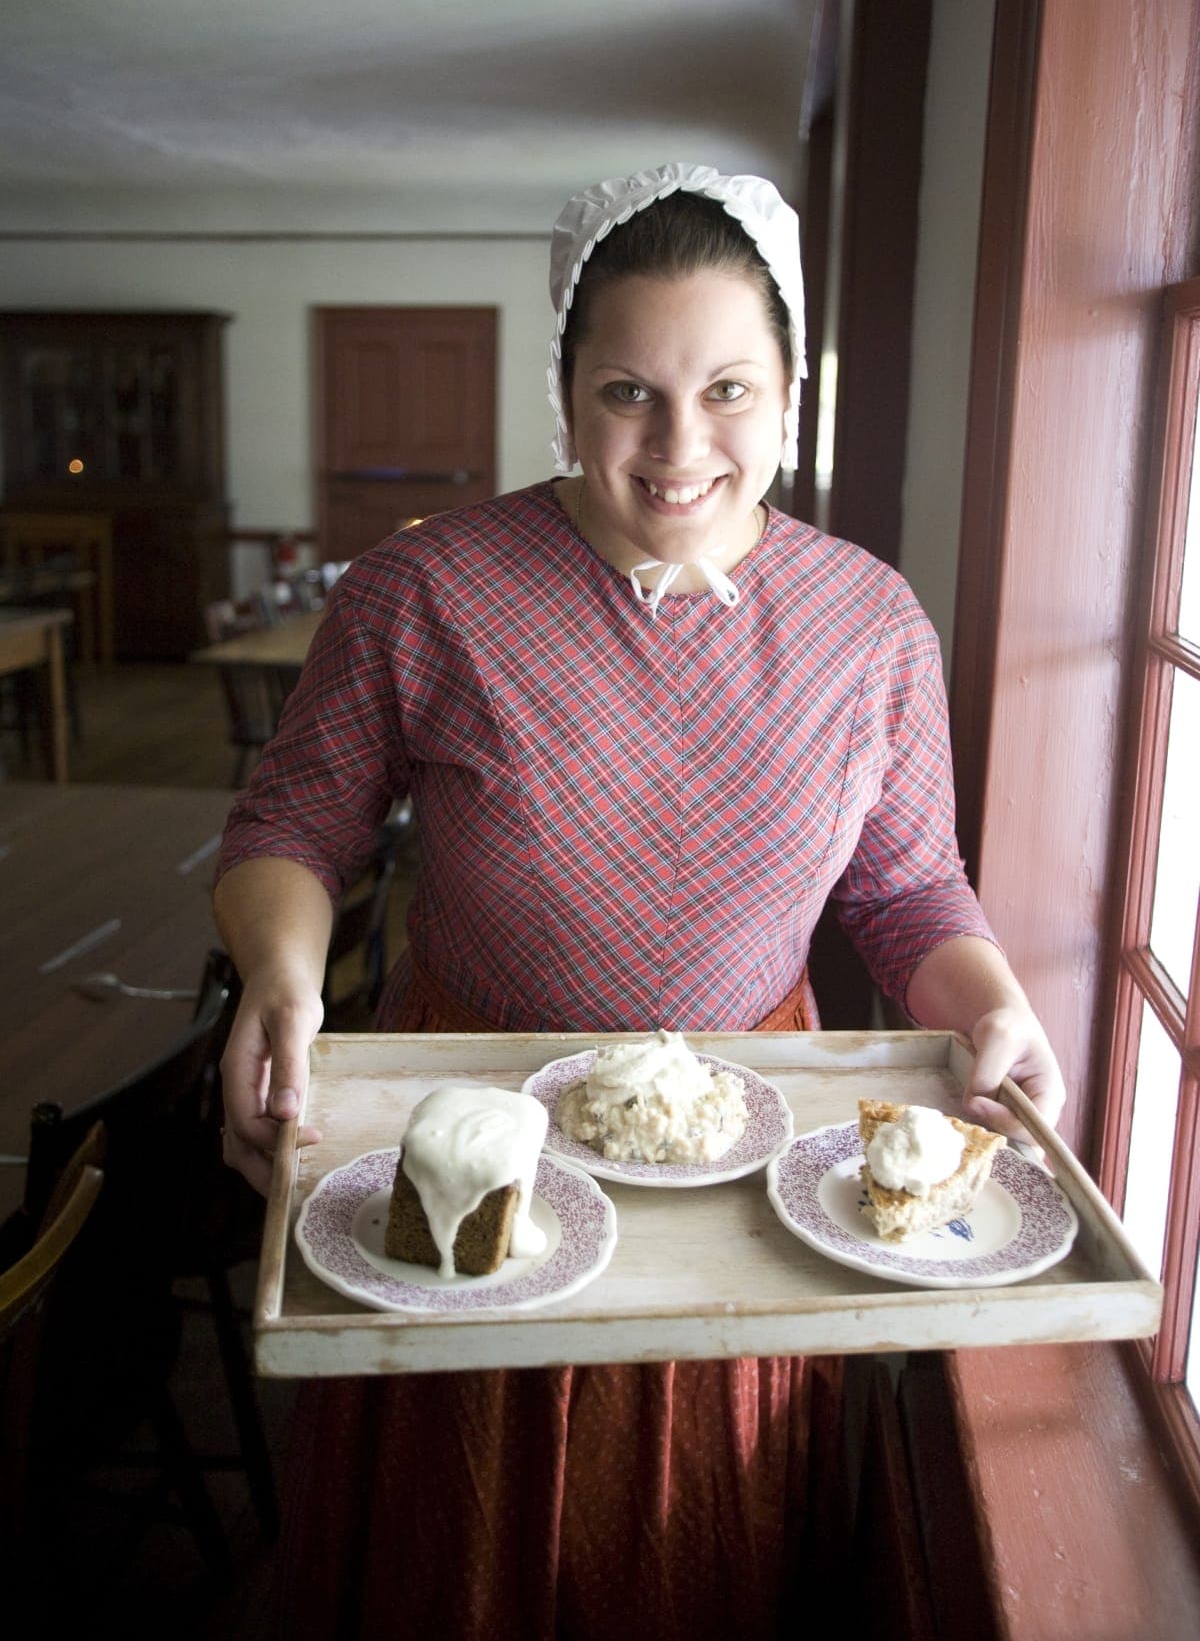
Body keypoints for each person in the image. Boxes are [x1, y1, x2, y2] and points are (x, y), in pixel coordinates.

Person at [215, 162, 1065, 1638]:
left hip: (739, 1156)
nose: (680, 446)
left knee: (693, 1545)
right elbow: (295, 818)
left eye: (730, 389)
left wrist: (994, 1007)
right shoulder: (430, 589)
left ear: (794, 394)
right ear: (564, 392)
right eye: (628, 392)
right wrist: (285, 980)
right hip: (472, 1136)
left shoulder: (869, 622)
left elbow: (911, 884)